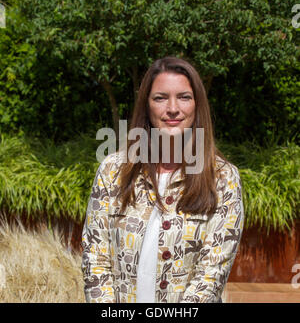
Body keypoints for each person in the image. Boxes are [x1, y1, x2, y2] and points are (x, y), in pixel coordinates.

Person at [81, 56, 244, 303]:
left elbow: (210, 277)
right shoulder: (113, 171)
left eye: (184, 97)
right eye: (160, 98)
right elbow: (95, 259)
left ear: (197, 104)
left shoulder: (222, 179)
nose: (172, 108)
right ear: (146, 105)